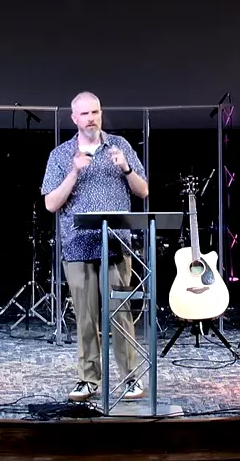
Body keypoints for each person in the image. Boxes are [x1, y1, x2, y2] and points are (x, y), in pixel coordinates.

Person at [42, 91, 149, 402]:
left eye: (96, 112)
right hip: (77, 245)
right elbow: (51, 203)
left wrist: (126, 169)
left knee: (120, 311)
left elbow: (143, 192)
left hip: (116, 242)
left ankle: (130, 378)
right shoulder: (61, 156)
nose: (91, 119)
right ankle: (88, 380)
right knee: (85, 316)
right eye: (85, 114)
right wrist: (75, 172)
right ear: (74, 119)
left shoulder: (120, 147)